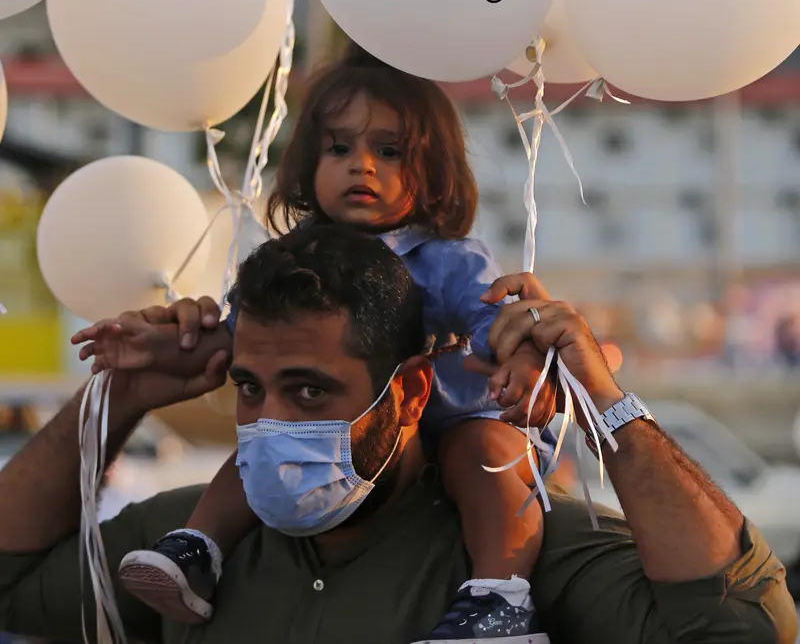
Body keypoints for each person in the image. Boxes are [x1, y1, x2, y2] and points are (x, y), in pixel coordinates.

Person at [0, 225, 794, 644]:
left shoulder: (525, 547)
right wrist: (124, 395)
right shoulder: (184, 550)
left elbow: (745, 632)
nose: (273, 422)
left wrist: (601, 397)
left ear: (410, 389)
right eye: (251, 389)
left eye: (310, 390)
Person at [75, 50, 559, 640]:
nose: (362, 167)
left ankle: (498, 598)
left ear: (433, 172)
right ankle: (197, 550)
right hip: (347, 428)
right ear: (308, 163)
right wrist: (158, 346)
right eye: (339, 149)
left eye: (389, 152)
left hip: (455, 413)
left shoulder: (449, 258)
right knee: (266, 439)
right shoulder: (291, 258)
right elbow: (237, 342)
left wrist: (512, 361)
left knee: (484, 457)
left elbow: (493, 320)